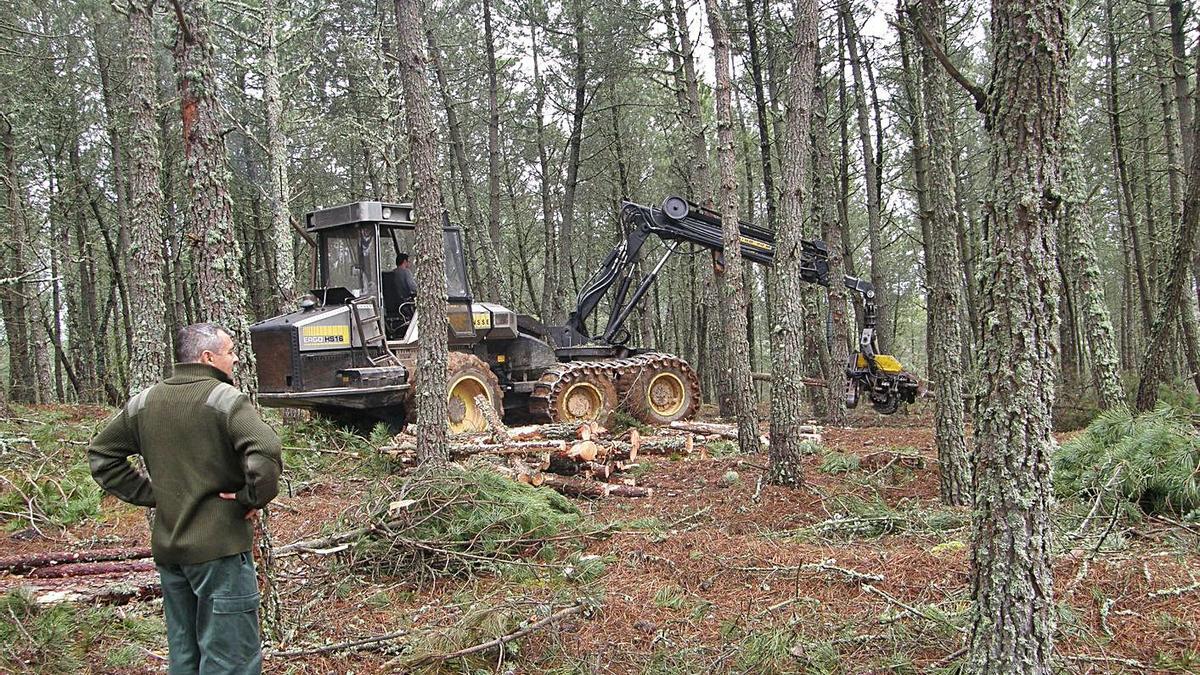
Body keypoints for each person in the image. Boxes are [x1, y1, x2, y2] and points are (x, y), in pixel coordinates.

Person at [88, 323, 282, 675]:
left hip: (171, 552)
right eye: (230, 351)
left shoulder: (144, 402)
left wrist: (153, 495)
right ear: (207, 357)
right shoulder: (225, 400)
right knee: (231, 661)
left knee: (185, 656)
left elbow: (102, 456)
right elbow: (266, 449)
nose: (236, 359)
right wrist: (249, 498)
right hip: (219, 552)